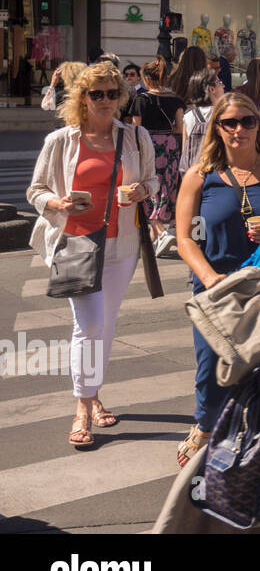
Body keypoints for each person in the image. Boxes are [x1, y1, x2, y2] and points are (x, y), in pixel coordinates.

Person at [175, 91, 260, 466]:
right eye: (230, 123)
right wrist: (209, 277)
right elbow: (184, 237)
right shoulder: (199, 176)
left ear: (258, 125)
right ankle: (205, 427)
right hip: (217, 285)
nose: (239, 129)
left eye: (247, 121)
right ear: (217, 129)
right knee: (212, 368)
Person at [27, 61, 158, 449]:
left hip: (122, 244)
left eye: (111, 93)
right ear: (82, 98)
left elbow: (152, 180)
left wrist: (140, 192)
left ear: (121, 97)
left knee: (107, 322)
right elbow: (35, 190)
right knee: (90, 323)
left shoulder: (135, 137)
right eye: (95, 93)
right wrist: (58, 202)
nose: (104, 100)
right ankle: (83, 407)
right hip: (75, 244)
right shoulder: (61, 141)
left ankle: (94, 391)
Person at [131, 59, 186, 254]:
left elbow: (136, 130)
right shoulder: (176, 99)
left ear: (146, 78)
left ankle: (161, 232)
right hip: (170, 145)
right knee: (166, 186)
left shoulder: (141, 99)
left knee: (149, 187)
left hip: (149, 144)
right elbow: (180, 128)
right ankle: (155, 239)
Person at [179, 69, 224, 176]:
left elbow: (185, 149)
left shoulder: (188, 116)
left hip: (194, 172)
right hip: (217, 170)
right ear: (212, 89)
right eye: (220, 83)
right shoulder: (223, 113)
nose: (223, 86)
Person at [168, 45, 208, 110]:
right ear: (203, 62)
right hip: (198, 115)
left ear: (182, 61)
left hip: (177, 114)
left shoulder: (173, 78)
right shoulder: (206, 80)